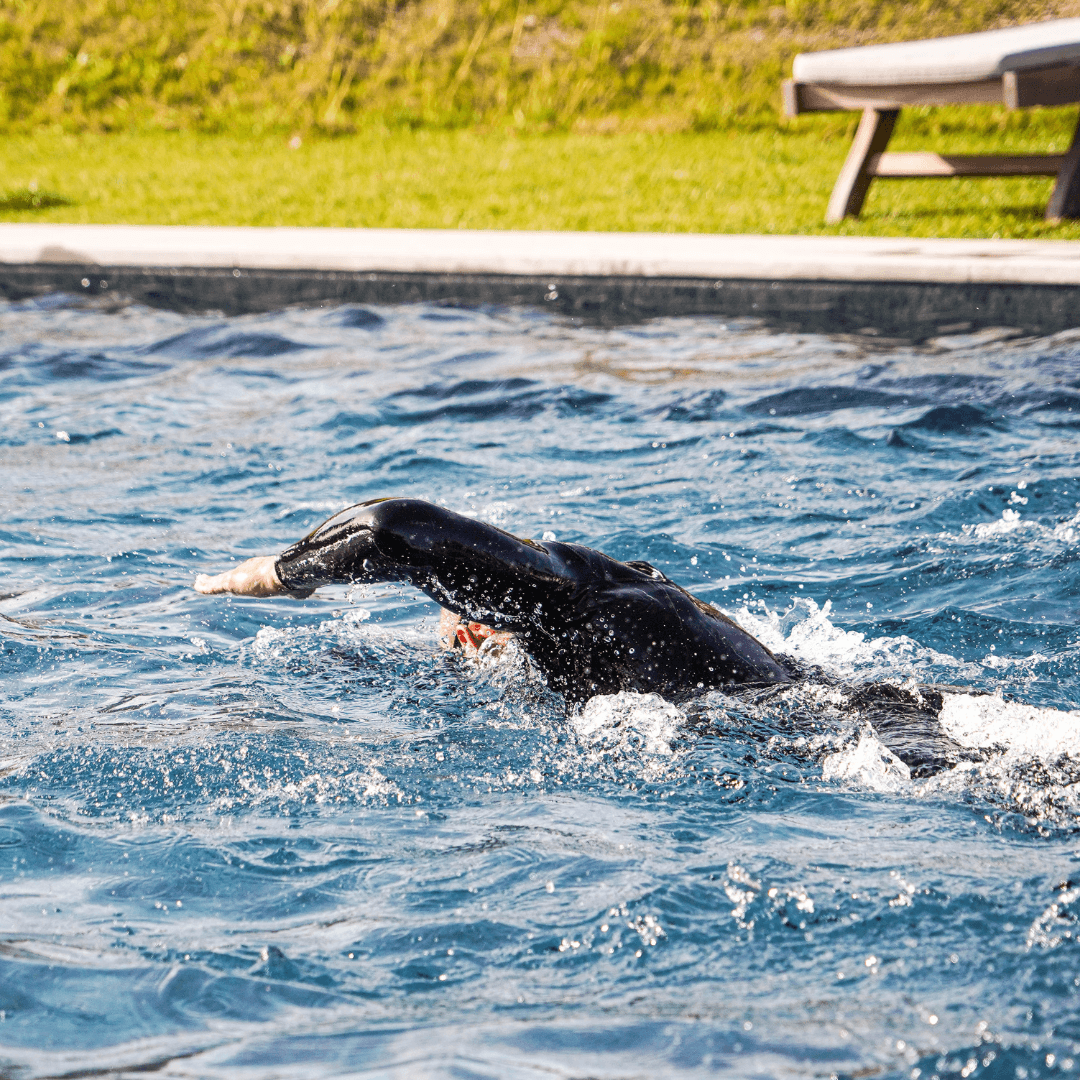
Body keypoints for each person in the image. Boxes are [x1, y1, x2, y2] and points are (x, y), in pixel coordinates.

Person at [195, 496, 792, 705]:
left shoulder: (568, 597)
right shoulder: (635, 594)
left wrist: (280, 573)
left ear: (475, 629)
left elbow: (391, 529)